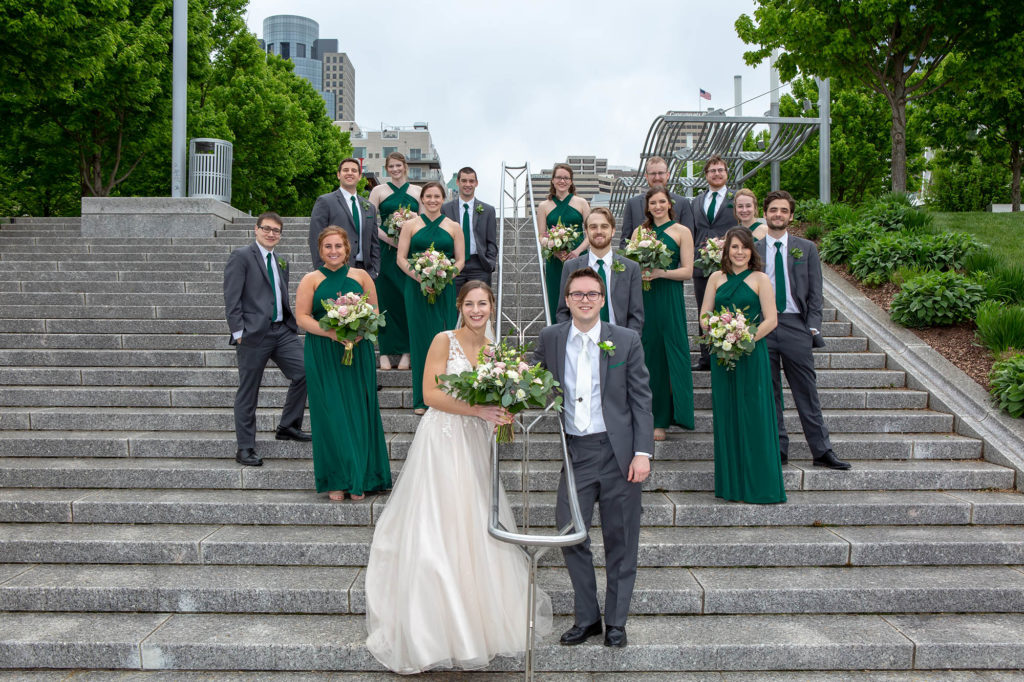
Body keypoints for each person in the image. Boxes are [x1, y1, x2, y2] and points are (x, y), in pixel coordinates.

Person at [365, 281, 553, 674]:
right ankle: (432, 626)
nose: (477, 310)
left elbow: (501, 395)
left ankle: (477, 618)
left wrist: (506, 410)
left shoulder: (495, 349)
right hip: (443, 438)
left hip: (474, 443)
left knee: (475, 521)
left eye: (483, 303)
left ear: (492, 306)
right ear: (460, 306)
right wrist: (479, 411)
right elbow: (430, 394)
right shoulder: (442, 340)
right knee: (439, 520)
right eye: (470, 303)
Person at [534, 268, 654, 649]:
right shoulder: (551, 338)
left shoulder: (625, 339)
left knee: (622, 541)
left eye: (592, 294)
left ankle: (616, 622)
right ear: (566, 301)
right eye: (577, 294)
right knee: (571, 536)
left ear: (602, 300)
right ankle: (587, 617)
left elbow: (641, 400)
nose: (585, 300)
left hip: (620, 456)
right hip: (576, 454)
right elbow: (530, 377)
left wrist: (642, 452)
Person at [756, 190, 851, 470]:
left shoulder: (806, 248)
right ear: (766, 213)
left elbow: (816, 293)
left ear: (791, 216)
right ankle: (778, 449)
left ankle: (822, 451)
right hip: (764, 324)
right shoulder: (753, 248)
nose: (778, 215)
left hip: (795, 324)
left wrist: (813, 327)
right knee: (770, 391)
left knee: (806, 391)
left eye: (783, 210)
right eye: (773, 210)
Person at [294, 227, 391, 501]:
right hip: (323, 351)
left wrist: (358, 331)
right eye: (328, 247)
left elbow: (374, 311)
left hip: (357, 350)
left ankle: (362, 476)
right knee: (331, 413)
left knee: (360, 411)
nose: (333, 251)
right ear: (320, 250)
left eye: (338, 246)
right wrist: (331, 332)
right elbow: (301, 317)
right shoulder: (310, 279)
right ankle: (337, 478)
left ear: (347, 249)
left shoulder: (361, 276)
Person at [700, 227, 786, 504]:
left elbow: (771, 319)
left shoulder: (760, 279)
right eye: (734, 247)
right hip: (722, 354)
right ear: (726, 251)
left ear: (752, 251)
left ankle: (760, 485)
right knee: (727, 414)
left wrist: (743, 338)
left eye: (744, 247)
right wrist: (717, 331)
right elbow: (704, 314)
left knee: (754, 414)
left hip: (751, 354)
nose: (739, 252)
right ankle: (731, 485)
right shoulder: (715, 278)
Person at [223, 212, 310, 467]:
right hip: (253, 334)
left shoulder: (281, 261)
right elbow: (232, 296)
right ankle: (245, 447)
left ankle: (288, 425)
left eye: (276, 231)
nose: (271, 233)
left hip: (282, 331)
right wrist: (238, 332)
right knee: (248, 392)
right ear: (256, 229)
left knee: (306, 371)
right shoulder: (241, 257)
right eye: (267, 228)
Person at [632, 187, 696, 439]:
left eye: (662, 202)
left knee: (673, 352)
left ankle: (676, 414)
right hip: (645, 296)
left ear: (670, 204)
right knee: (651, 354)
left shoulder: (682, 232)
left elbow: (688, 271)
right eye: (653, 203)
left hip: (669, 296)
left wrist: (661, 272)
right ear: (647, 207)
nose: (657, 206)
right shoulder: (640, 232)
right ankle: (653, 416)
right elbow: (632, 263)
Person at [397, 181, 464, 415]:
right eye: (428, 196)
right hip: (416, 288)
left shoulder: (454, 226)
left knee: (444, 337)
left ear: (443, 198)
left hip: (445, 288)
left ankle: (444, 395)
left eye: (437, 196)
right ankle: (421, 399)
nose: (433, 200)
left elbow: (461, 260)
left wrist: (444, 276)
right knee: (419, 339)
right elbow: (401, 258)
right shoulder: (410, 225)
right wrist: (419, 276)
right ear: (422, 199)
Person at [368, 152, 421, 371]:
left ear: (405, 166)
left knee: (405, 299)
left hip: (410, 253)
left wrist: (407, 239)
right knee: (385, 301)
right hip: (385, 251)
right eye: (391, 166)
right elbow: (369, 221)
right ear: (386, 169)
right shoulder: (378, 191)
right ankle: (385, 353)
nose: (395, 169)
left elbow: (424, 220)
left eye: (399, 165)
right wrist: (390, 238)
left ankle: (407, 352)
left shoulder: (418, 191)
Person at [555, 207, 643, 333]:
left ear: (613, 231)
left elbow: (636, 316)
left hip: (619, 340)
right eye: (593, 227)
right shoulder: (571, 267)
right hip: (581, 341)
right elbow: (563, 311)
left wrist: (628, 344)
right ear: (586, 231)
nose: (599, 231)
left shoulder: (631, 268)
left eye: (604, 226)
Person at [691, 155, 738, 370]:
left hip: (729, 263)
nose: (716, 174)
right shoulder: (696, 201)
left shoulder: (736, 199)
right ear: (706, 175)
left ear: (727, 174)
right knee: (704, 310)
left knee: (729, 308)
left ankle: (729, 351)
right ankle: (706, 358)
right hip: (701, 264)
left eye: (720, 170)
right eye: (712, 171)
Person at [308, 158, 381, 277]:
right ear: (338, 175)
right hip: (335, 268)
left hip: (365, 272)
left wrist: (375, 270)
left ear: (359, 176)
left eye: (354, 170)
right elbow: (316, 237)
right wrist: (322, 271)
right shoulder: (325, 201)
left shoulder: (369, 207)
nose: (350, 173)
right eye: (345, 170)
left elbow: (374, 243)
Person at [537, 163, 590, 319]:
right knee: (557, 299)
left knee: (581, 297)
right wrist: (553, 247)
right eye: (559, 177)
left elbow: (589, 234)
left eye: (566, 178)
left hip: (579, 258)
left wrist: (578, 251)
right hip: (555, 261)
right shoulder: (544, 206)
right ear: (553, 180)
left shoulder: (581, 203)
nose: (562, 181)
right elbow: (541, 236)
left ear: (571, 181)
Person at [619, 156, 694, 250]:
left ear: (668, 175)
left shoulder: (683, 203)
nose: (657, 177)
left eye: (661, 173)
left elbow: (689, 243)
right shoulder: (632, 204)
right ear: (646, 176)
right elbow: (625, 242)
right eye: (653, 174)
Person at [443, 166, 498, 289]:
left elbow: (492, 241)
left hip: (479, 264)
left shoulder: (488, 210)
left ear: (476, 183)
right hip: (453, 264)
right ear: (458, 182)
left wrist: (490, 263)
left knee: (479, 305)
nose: (468, 184)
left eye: (471, 181)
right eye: (464, 181)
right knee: (454, 306)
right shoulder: (445, 209)